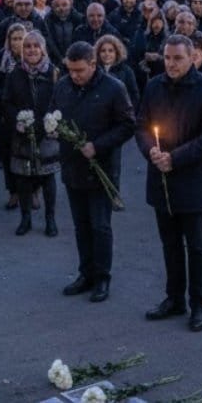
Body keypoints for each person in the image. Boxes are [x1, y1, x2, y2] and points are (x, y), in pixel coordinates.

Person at [136, 34, 202, 332]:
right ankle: (174, 298)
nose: (171, 64)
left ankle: (198, 304)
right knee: (170, 244)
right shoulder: (153, 86)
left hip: (193, 179)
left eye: (178, 58)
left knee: (196, 246)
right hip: (161, 178)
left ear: (192, 58)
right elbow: (143, 126)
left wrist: (175, 158)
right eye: (168, 58)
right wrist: (152, 151)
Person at [51, 41, 135, 304]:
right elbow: (53, 113)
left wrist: (97, 146)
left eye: (80, 71)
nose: (75, 76)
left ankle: (102, 277)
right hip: (72, 165)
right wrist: (53, 127)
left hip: (101, 169)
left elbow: (128, 125)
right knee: (81, 225)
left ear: (93, 64)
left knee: (100, 226)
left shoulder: (113, 88)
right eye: (71, 70)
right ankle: (85, 273)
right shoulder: (63, 85)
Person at [2, 31, 59, 237]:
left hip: (47, 133)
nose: (32, 50)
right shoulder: (15, 73)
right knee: (23, 178)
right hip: (22, 133)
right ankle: (25, 218)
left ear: (43, 49)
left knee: (47, 177)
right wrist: (18, 120)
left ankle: (50, 219)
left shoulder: (53, 73)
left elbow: (58, 101)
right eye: (28, 46)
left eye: (36, 46)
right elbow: (6, 101)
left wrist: (50, 123)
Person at [0, 23, 28, 209]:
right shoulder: (0, 58)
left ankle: (32, 191)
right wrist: (3, 97)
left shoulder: (33, 57)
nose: (17, 43)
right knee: (7, 155)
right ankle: (13, 191)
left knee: (28, 155)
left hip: (28, 113)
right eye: (14, 39)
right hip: (6, 114)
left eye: (21, 39)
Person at [96, 33, 140, 110]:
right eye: (103, 51)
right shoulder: (94, 70)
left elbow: (134, 95)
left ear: (117, 52)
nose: (107, 54)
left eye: (110, 51)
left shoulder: (127, 71)